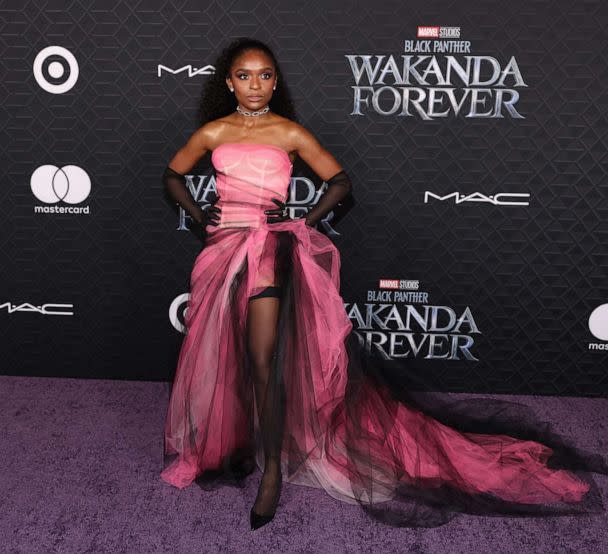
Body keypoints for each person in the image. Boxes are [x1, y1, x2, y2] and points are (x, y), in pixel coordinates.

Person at [161, 37, 606, 531]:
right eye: (244, 76)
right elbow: (173, 175)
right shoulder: (213, 133)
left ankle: (272, 477)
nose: (255, 85)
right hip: (222, 253)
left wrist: (304, 221)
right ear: (228, 82)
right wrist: (202, 214)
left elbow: (340, 182)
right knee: (232, 356)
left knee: (265, 362)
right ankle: (240, 445)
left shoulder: (290, 133)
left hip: (270, 251)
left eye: (265, 75)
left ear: (275, 81)